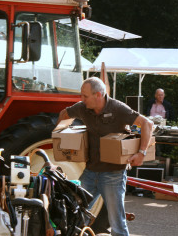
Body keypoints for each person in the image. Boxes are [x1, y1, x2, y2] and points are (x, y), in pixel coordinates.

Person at [57, 77, 153, 236]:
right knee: (74, 214)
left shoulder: (118, 109)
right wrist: (61, 138)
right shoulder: (82, 108)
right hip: (90, 172)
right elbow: (64, 114)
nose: (82, 99)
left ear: (98, 95)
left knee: (117, 224)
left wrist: (141, 153)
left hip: (113, 175)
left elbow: (147, 124)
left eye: (85, 96)